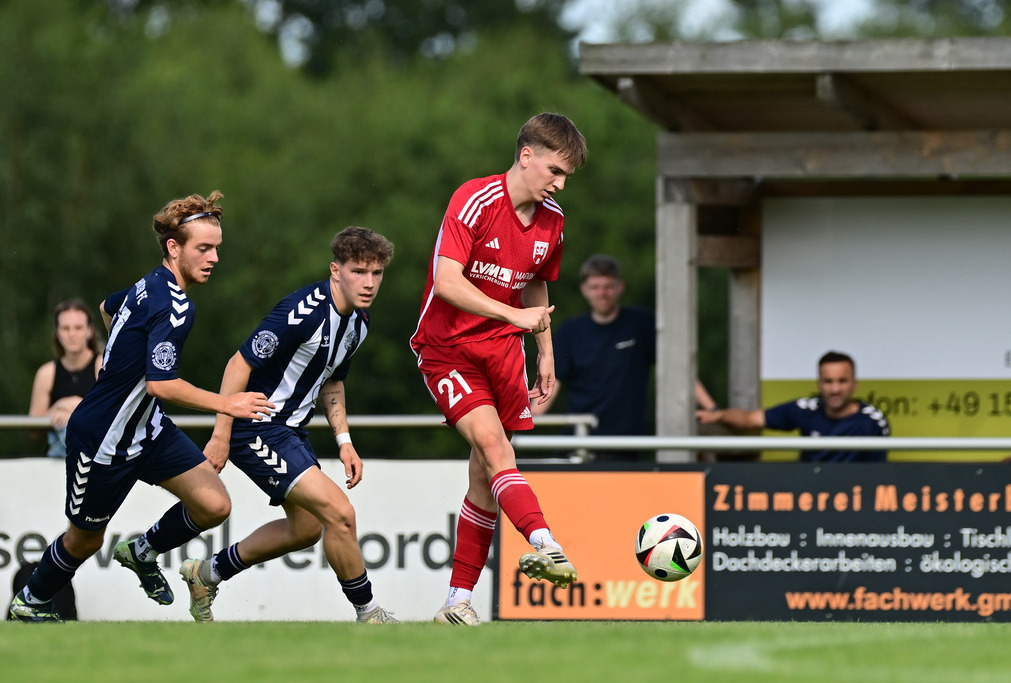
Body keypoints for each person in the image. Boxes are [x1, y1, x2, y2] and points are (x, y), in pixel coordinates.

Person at [9, 191, 274, 622]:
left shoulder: (149, 283)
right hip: (102, 439)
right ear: (174, 248)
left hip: (148, 431)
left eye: (216, 249)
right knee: (85, 541)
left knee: (214, 505)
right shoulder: (173, 306)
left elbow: (107, 308)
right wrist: (228, 404)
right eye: (203, 249)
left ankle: (141, 550)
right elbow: (161, 383)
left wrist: (121, 358)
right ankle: (30, 600)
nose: (213, 258)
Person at [410, 112, 588, 626]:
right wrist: (514, 316)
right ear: (526, 155)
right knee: (495, 447)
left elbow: (535, 283)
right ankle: (546, 542)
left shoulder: (552, 218)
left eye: (565, 177)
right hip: (447, 347)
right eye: (554, 171)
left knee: (485, 479)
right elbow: (446, 281)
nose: (558, 184)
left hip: (503, 349)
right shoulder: (474, 198)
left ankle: (455, 603)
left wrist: (545, 348)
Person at [179, 227, 398, 624]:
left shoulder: (358, 324)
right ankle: (369, 614)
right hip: (257, 426)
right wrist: (221, 435)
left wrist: (344, 440)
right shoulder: (304, 311)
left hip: (291, 433)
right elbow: (238, 364)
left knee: (307, 529)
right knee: (340, 512)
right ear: (336, 270)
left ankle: (205, 574)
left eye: (376, 273)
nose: (368, 283)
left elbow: (332, 381)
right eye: (358, 271)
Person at [531, 254, 717, 461]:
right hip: (578, 438)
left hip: (625, 441)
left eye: (608, 286)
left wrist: (713, 410)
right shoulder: (570, 331)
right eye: (595, 287)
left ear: (620, 287)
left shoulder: (641, 324)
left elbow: (677, 370)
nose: (602, 293)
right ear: (584, 290)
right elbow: (552, 380)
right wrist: (530, 416)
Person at [696, 350, 889, 462]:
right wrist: (719, 416)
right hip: (807, 498)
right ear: (818, 383)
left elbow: (878, 479)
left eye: (842, 381)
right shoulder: (807, 409)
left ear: (855, 383)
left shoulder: (871, 421)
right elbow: (750, 419)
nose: (835, 389)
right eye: (828, 381)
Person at [28, 299, 104, 457]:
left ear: (89, 331)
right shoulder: (47, 373)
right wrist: (59, 407)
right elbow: (33, 430)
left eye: (78, 328)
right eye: (65, 328)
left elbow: (117, 416)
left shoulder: (103, 366)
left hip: (96, 456)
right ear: (57, 332)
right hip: (56, 458)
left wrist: (77, 407)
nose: (72, 334)